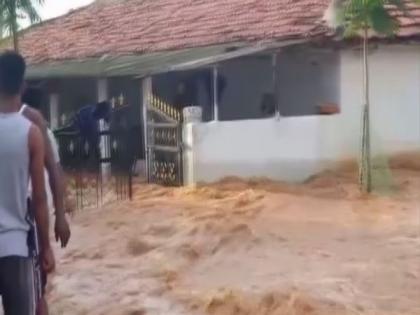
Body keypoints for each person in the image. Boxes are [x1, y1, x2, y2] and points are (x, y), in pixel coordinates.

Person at [0, 51, 55, 315]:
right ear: (22, 85)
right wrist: (45, 247)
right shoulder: (30, 133)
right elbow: (40, 200)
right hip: (16, 248)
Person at [21, 86, 72, 315]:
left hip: (33, 217)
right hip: (33, 218)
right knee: (36, 293)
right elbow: (56, 170)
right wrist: (62, 210)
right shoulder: (39, 129)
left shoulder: (35, 129)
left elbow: (53, 170)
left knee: (36, 292)